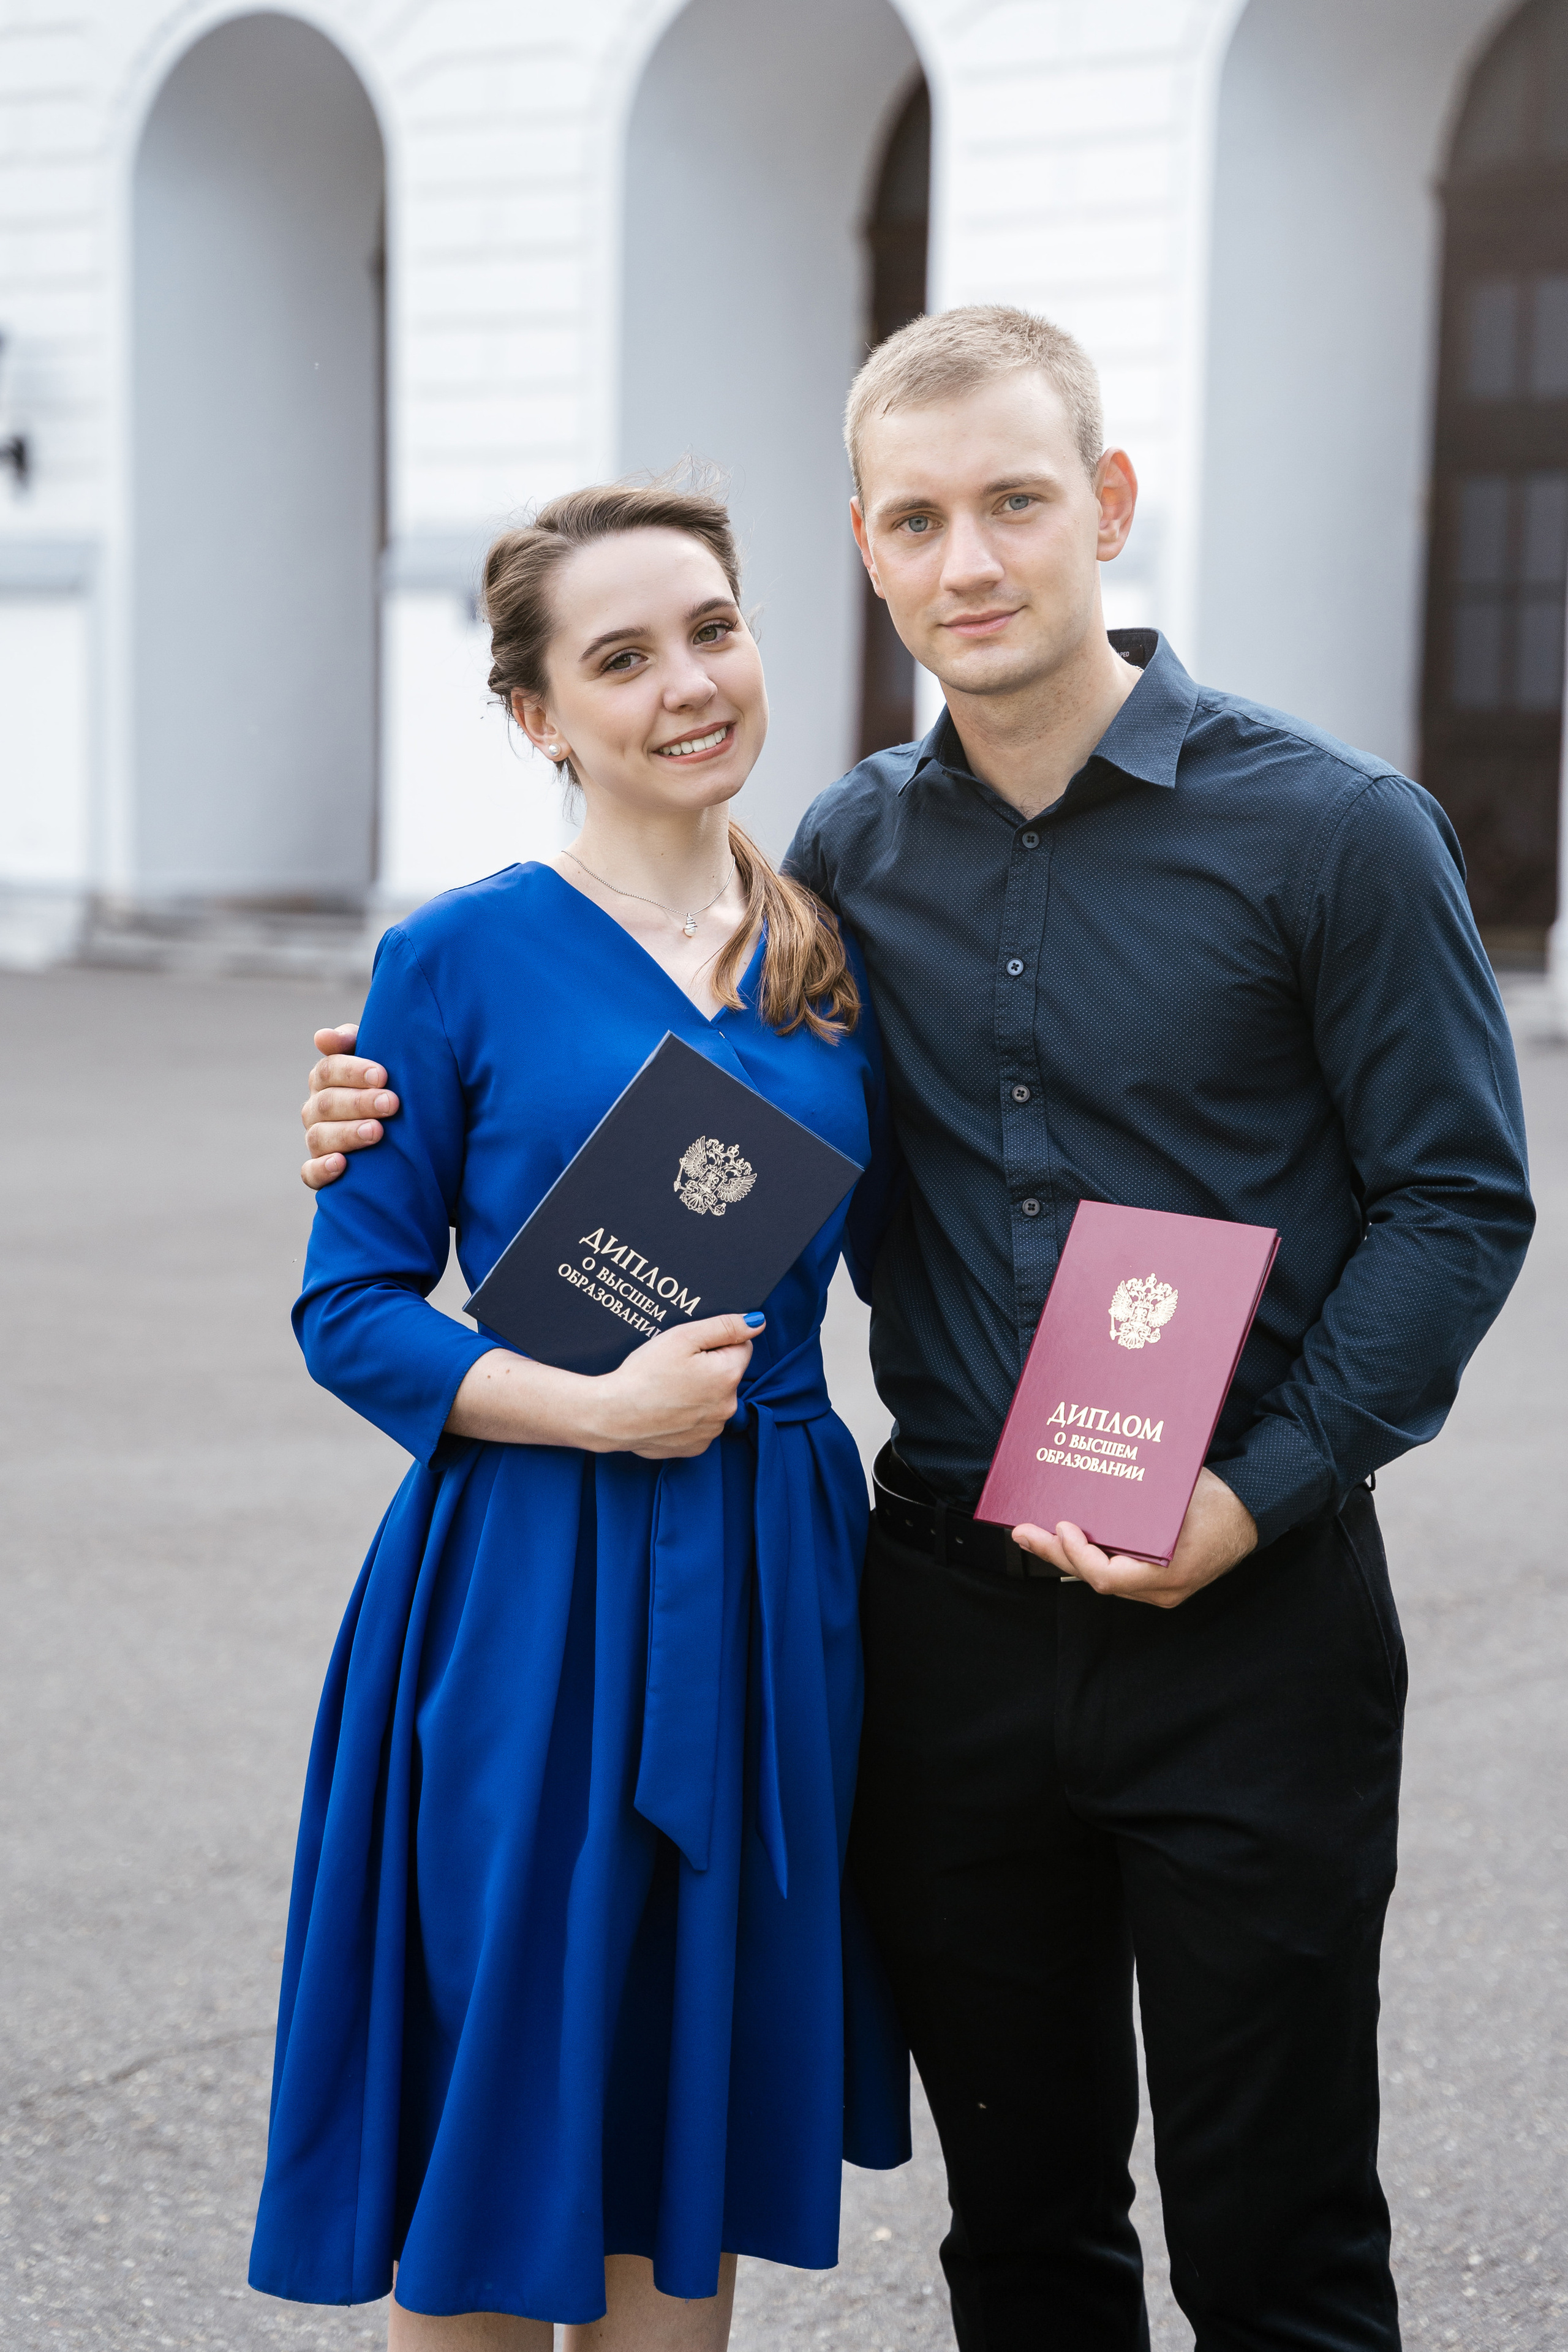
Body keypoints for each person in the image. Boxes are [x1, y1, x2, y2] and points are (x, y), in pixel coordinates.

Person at [299, 307, 1535, 2350]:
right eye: (918, 520)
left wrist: (1256, 1494)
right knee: (1024, 2232)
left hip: (1249, 1610)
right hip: (939, 1623)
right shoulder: (848, 868)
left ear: (1107, 506)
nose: (970, 561)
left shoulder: (1333, 832)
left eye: (1017, 503)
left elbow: (1458, 1203)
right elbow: (588, 1046)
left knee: (1281, 2235)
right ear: (869, 554)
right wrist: (367, 1099)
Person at [252, 480, 910, 2350]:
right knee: (505, 2130)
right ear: (539, 718)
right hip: (532, 1579)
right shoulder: (453, 958)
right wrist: (594, 1407)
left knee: (665, 2157)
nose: (689, 682)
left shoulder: (836, 957)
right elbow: (348, 1307)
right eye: (621, 658)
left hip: (779, 1579)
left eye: (714, 627)